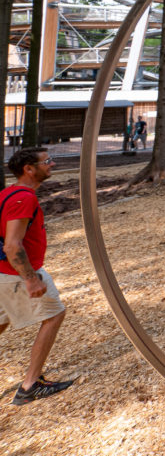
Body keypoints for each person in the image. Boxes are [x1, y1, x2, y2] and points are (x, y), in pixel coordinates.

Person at [0, 148, 75, 405]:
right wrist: (31, 279)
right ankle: (30, 385)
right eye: (46, 162)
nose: (52, 164)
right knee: (54, 315)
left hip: (3, 274)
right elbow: (12, 245)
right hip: (16, 275)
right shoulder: (23, 198)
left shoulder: (7, 193)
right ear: (28, 169)